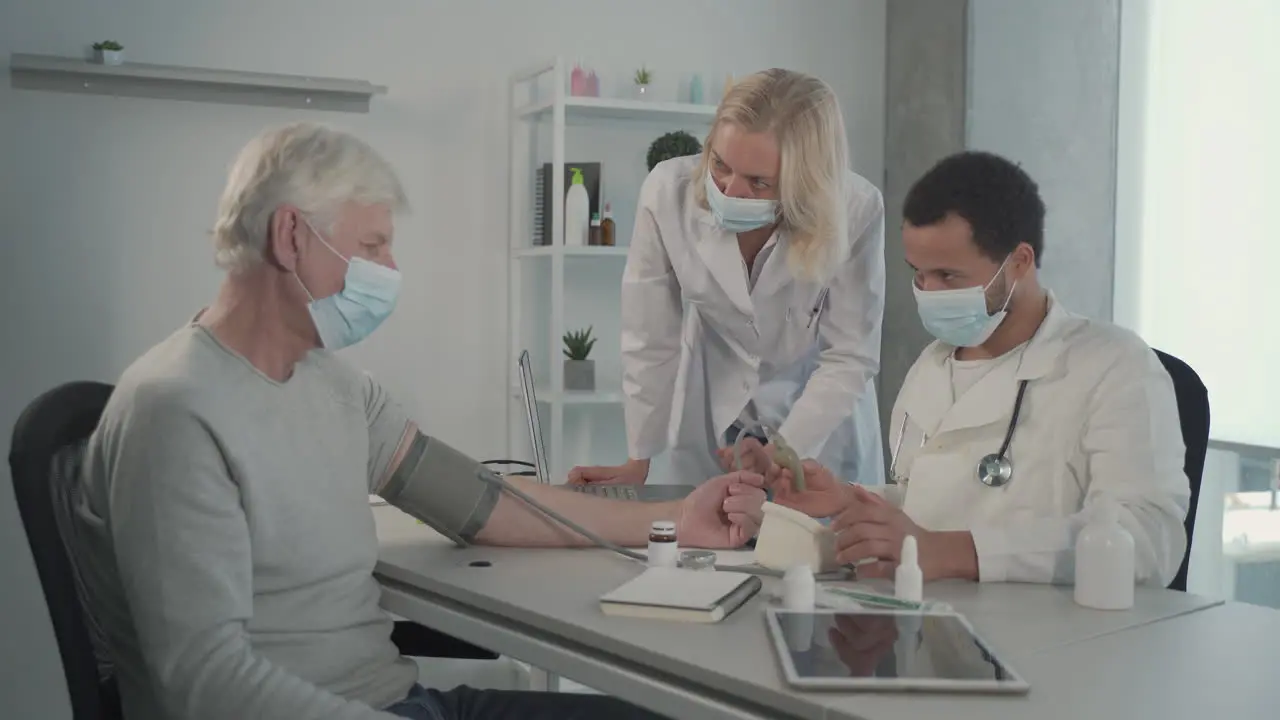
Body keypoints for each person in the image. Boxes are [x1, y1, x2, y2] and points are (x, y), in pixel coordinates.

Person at [65, 122, 766, 720]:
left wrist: (674, 518)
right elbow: (205, 684)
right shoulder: (174, 409)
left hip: (399, 701)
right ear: (290, 235)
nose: (390, 269)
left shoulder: (338, 390)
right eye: (371, 247)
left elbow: (483, 504)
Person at [762, 151, 1190, 586]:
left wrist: (950, 552)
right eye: (918, 274)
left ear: (1019, 262)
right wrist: (847, 501)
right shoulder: (931, 366)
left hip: (1052, 637)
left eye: (948, 276)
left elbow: (1147, 540)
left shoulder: (1113, 366)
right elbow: (932, 505)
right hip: (929, 624)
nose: (928, 292)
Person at [568, 68, 886, 491]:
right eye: (720, 164)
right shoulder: (668, 193)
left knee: (811, 551)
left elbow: (849, 355)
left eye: (758, 182)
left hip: (820, 429)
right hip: (713, 422)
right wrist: (637, 460)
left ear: (804, 183)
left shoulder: (855, 210)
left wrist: (786, 449)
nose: (730, 191)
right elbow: (650, 338)